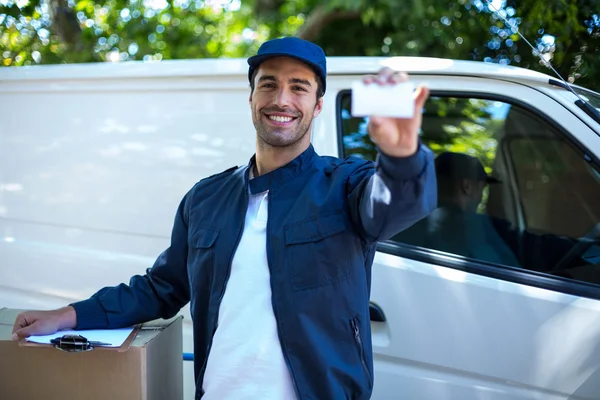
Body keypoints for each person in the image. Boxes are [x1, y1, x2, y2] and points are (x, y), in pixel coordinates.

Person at [12, 37, 437, 400]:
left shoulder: (345, 185)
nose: (281, 99)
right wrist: (68, 315)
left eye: (298, 87)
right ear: (251, 98)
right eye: (268, 85)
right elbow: (161, 287)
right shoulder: (205, 197)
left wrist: (400, 156)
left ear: (318, 105)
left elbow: (394, 202)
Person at [393, 151, 583, 273]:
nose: (481, 196)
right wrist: (585, 249)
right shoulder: (482, 228)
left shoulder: (402, 225)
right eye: (482, 188)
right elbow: (538, 248)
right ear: (467, 187)